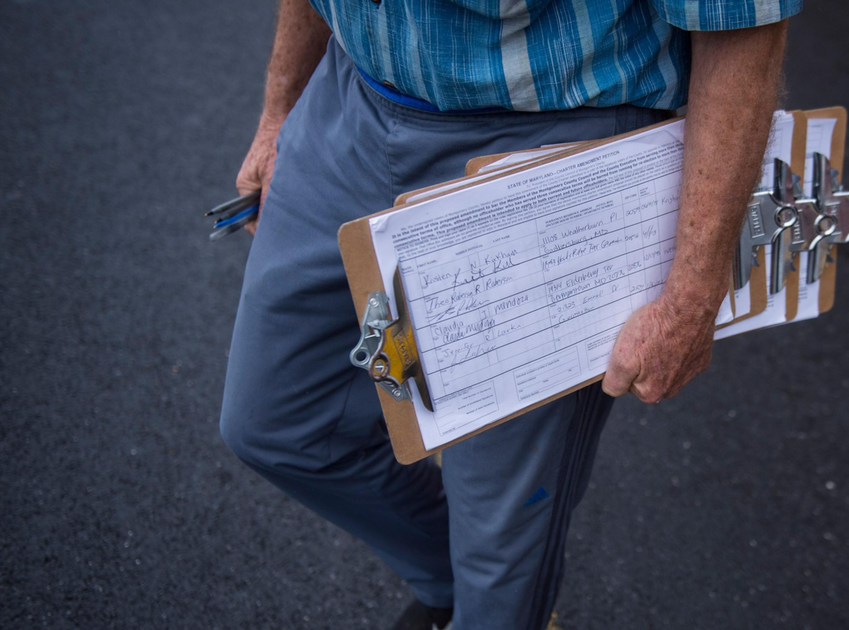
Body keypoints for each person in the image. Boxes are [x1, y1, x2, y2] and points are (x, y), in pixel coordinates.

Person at [218, 0, 797, 627]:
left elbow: (741, 21)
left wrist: (691, 298)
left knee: (502, 526)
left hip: (550, 150)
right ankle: (452, 584)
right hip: (349, 96)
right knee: (273, 425)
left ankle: (490, 606)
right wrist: (280, 114)